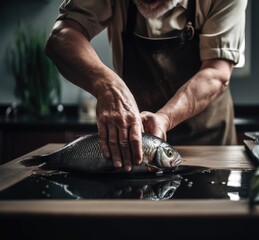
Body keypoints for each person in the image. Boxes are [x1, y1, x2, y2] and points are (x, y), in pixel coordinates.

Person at [45, 0, 247, 172]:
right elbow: (62, 36)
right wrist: (107, 85)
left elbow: (216, 73)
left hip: (208, 145)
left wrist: (165, 118)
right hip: (133, 148)